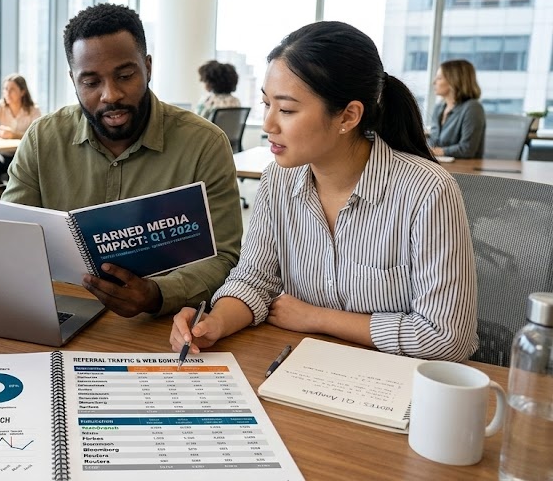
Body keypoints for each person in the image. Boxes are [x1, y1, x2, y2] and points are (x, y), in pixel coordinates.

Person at [169, 21, 478, 362]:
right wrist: (214, 323)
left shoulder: (427, 191)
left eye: (287, 110)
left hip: (397, 381)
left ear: (348, 116)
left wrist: (318, 318)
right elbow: (253, 281)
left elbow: (447, 337)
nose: (269, 124)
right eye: (267, 104)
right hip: (303, 368)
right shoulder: (277, 181)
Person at [3, 3, 242, 318]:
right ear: (73, 80)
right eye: (91, 82)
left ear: (148, 68)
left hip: (164, 323)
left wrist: (158, 294)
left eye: (125, 76)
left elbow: (225, 257)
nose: (110, 95)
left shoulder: (204, 144)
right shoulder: (42, 139)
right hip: (61, 309)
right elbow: (10, 239)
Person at [0, 73, 42, 181]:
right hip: (2, 154)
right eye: (5, 89)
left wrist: (14, 135)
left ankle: (8, 191)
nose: (7, 93)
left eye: (12, 90)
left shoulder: (33, 110)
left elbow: (38, 136)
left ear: (22, 92)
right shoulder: (0, 106)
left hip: (22, 156)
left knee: (22, 172)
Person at [428, 59, 485, 159]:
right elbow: (434, 142)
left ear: (454, 81)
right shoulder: (439, 108)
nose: (434, 82)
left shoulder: (472, 108)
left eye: (439, 78)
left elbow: (467, 149)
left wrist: (439, 151)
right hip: (439, 165)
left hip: (463, 167)